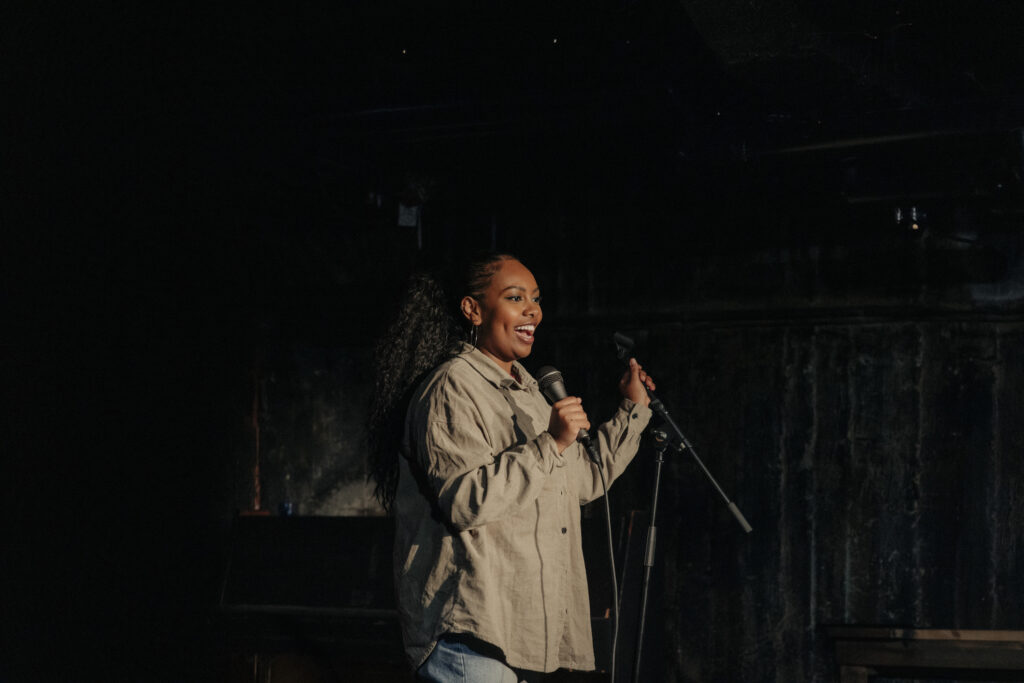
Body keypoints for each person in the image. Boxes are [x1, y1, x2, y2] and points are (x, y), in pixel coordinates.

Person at [368, 252, 655, 682]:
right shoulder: (452, 386)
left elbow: (582, 479)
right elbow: (466, 500)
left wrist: (632, 410)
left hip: (521, 637)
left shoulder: (530, 392)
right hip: (469, 637)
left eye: (535, 299)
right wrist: (551, 442)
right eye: (515, 297)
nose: (532, 310)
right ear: (473, 309)